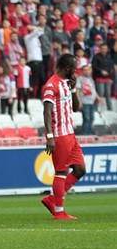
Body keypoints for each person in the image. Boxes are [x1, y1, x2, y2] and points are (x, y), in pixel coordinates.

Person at [41, 54, 87, 220]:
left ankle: (52, 199)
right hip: (60, 135)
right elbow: (46, 112)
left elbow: (76, 108)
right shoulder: (51, 86)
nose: (75, 71)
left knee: (80, 169)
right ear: (67, 68)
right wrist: (50, 137)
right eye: (74, 68)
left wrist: (74, 89)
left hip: (70, 133)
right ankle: (59, 212)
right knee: (61, 171)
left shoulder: (68, 83)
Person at [78, 65, 98, 136]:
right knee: (87, 119)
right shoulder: (79, 79)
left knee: (92, 118)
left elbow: (93, 89)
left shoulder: (91, 79)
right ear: (82, 71)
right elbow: (77, 90)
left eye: (88, 70)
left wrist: (98, 97)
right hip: (84, 101)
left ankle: (90, 133)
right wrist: (79, 101)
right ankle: (85, 134)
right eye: (85, 70)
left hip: (92, 102)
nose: (87, 71)